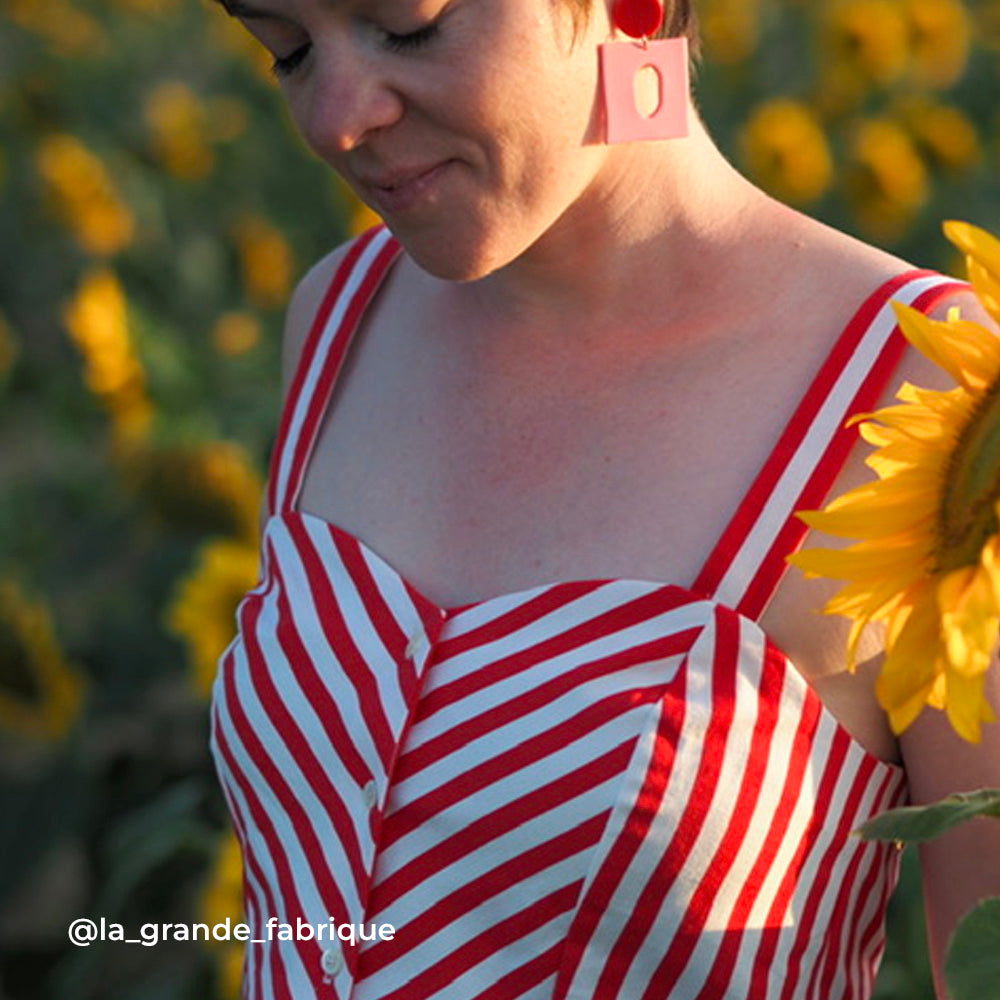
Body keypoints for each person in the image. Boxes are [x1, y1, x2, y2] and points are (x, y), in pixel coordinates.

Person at [207, 1, 1000, 997]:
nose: (333, 119)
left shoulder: (941, 402)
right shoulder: (340, 317)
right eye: (285, 50)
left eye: (408, 28)